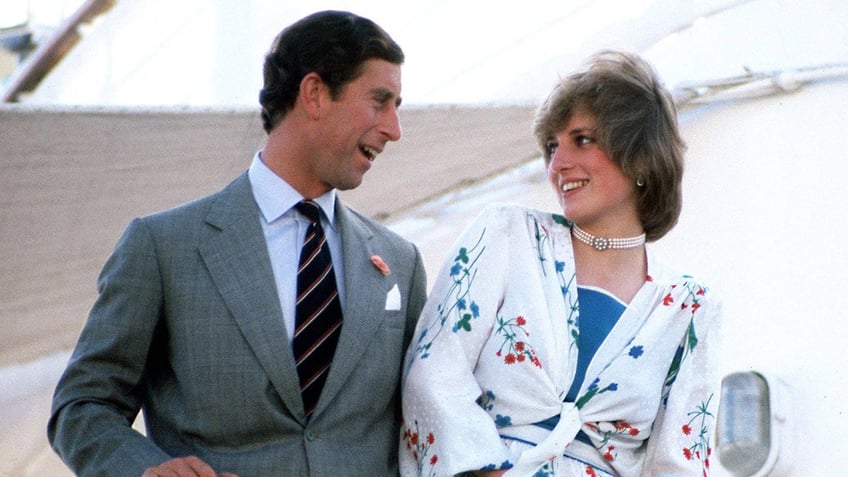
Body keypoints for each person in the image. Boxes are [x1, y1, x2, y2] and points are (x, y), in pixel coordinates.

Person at [48, 10, 427, 477]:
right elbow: (83, 405)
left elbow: (428, 412)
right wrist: (145, 471)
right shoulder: (164, 247)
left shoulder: (400, 263)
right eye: (380, 101)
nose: (394, 128)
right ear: (314, 94)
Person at [399, 50, 722, 476]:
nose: (557, 164)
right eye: (552, 146)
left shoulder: (689, 307)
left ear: (639, 156)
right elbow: (432, 373)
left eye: (582, 139)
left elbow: (681, 462)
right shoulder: (506, 235)